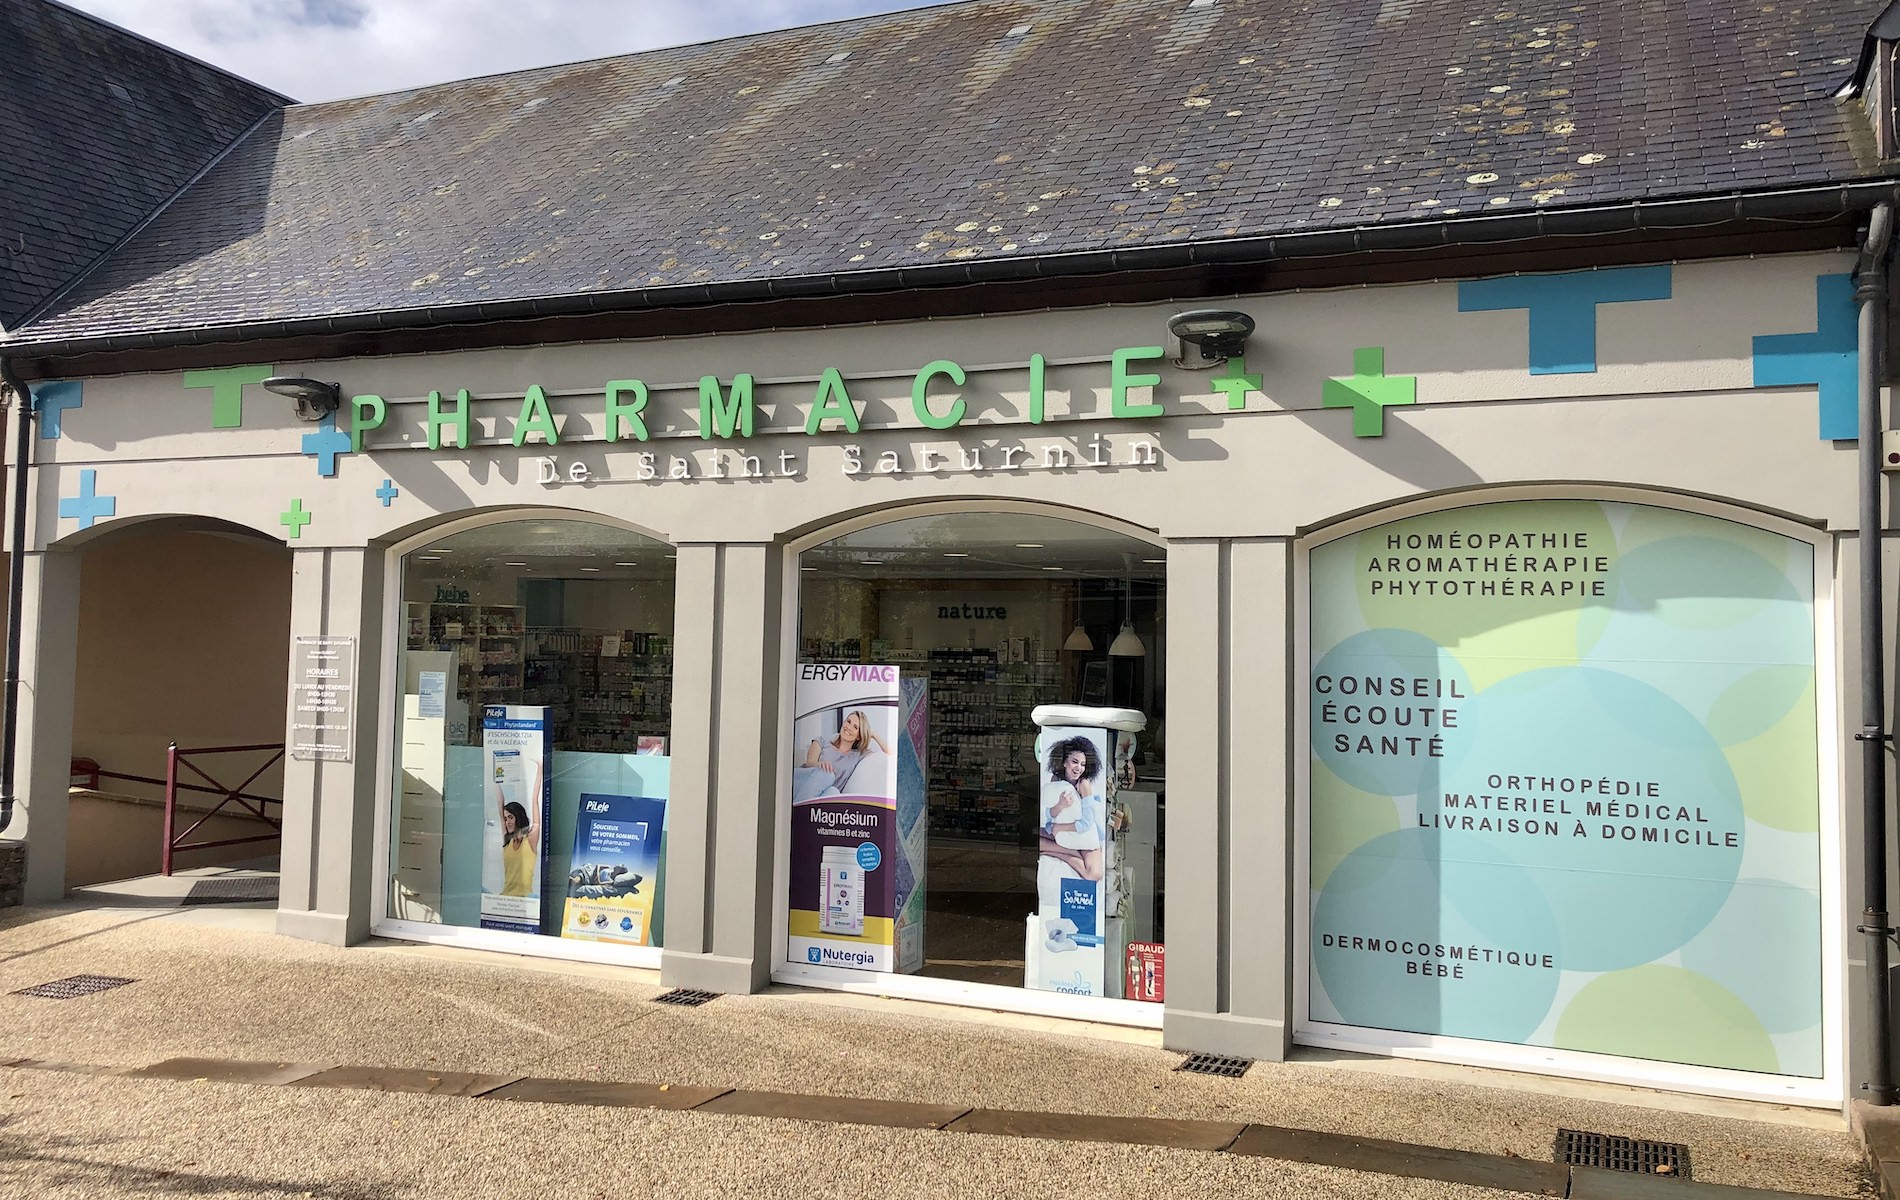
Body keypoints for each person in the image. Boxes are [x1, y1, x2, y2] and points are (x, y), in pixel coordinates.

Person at [1039, 735, 1106, 881]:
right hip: (1064, 835)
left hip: (1084, 837)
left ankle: (1066, 853)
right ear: (1064, 762)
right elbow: (1049, 814)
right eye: (1075, 762)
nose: (1078, 768)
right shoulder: (1056, 780)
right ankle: (1065, 849)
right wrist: (1060, 805)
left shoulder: (1084, 784)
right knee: (1032, 840)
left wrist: (1059, 828)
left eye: (1083, 764)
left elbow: (1087, 823)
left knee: (1094, 875)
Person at [793, 709, 888, 801]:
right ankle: (797, 809)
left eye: (855, 727)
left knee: (833, 792)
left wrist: (874, 735)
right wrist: (819, 765)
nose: (849, 727)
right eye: (848, 721)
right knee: (827, 773)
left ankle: (804, 808)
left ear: (859, 736)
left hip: (821, 795)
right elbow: (809, 764)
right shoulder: (822, 741)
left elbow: (890, 755)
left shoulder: (857, 756)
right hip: (800, 784)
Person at [497, 798, 540, 897]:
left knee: (534, 897)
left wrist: (535, 795)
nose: (507, 822)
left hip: (525, 898)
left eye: (510, 817)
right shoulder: (507, 840)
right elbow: (500, 803)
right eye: (505, 819)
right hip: (506, 897)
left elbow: (537, 824)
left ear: (518, 817)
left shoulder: (530, 840)